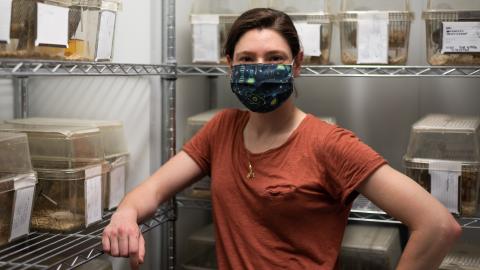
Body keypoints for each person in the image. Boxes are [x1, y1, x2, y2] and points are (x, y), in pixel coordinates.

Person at [103, 8, 462, 270]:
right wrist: (126, 213)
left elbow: (437, 225)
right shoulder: (221, 129)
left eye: (274, 58)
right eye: (247, 59)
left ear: (296, 64)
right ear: (230, 65)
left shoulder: (329, 144)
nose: (259, 68)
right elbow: (150, 191)